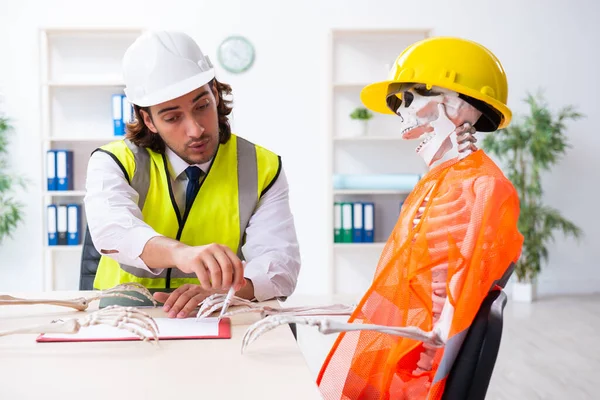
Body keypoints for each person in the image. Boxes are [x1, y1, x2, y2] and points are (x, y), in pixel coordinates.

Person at [84, 30, 301, 319]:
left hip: (214, 314)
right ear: (148, 119)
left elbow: (281, 266)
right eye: (173, 117)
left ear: (215, 94)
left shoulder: (262, 166)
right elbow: (113, 232)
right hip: (122, 318)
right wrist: (182, 254)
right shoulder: (113, 161)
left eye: (202, 106)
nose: (196, 129)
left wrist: (229, 290)